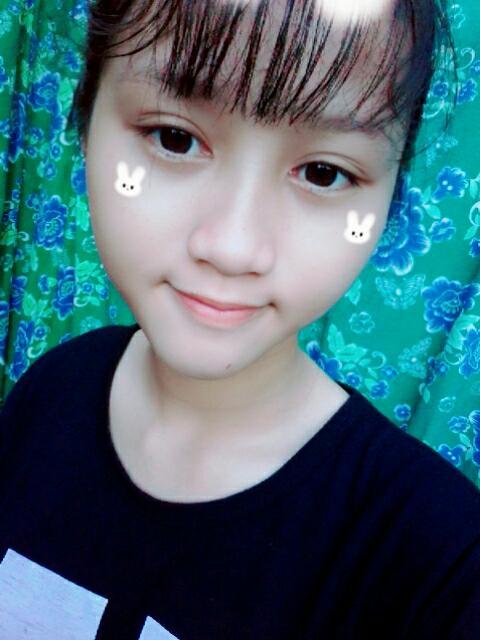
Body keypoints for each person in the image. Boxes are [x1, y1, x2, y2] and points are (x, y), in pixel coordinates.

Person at [0, 0, 479, 637]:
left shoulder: (442, 564)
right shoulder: (55, 388)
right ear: (85, 117)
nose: (232, 247)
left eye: (324, 173)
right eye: (174, 138)